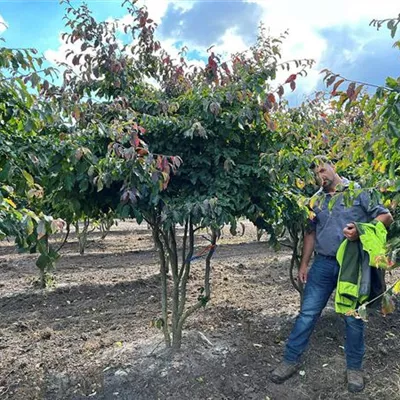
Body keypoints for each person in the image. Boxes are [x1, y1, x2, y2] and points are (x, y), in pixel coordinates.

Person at [270, 157, 393, 393]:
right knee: (307, 313)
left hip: (351, 265)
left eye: (323, 169)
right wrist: (304, 264)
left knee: (352, 315)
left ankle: (354, 368)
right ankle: (290, 359)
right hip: (323, 265)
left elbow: (386, 216)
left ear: (334, 167)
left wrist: (360, 230)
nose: (320, 176)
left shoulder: (358, 191)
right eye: (316, 173)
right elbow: (310, 233)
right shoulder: (315, 200)